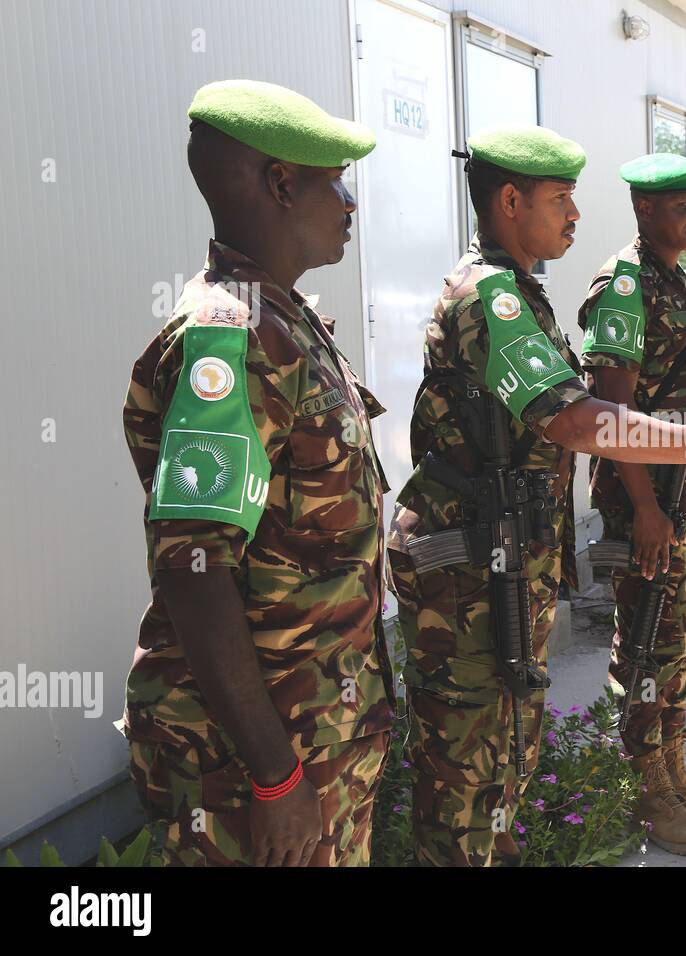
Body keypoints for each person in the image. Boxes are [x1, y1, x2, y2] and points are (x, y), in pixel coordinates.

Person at [386, 129, 686, 866]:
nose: (575, 214)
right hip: (471, 575)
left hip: (504, 562)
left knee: (504, 760)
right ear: (510, 202)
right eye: (560, 199)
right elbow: (580, 419)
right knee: (465, 780)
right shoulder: (491, 297)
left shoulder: (518, 290)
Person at [121, 80, 395, 866]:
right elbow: (194, 571)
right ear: (281, 184)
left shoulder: (283, 319)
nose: (349, 203)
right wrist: (277, 778)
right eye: (335, 181)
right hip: (254, 763)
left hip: (317, 735)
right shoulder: (229, 341)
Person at [577, 153, 686, 856]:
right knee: (647, 641)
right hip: (650, 499)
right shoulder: (624, 286)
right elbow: (612, 411)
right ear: (644, 210)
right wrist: (644, 508)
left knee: (681, 643)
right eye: (681, 205)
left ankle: (675, 772)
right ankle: (645, 789)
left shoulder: (680, 280)